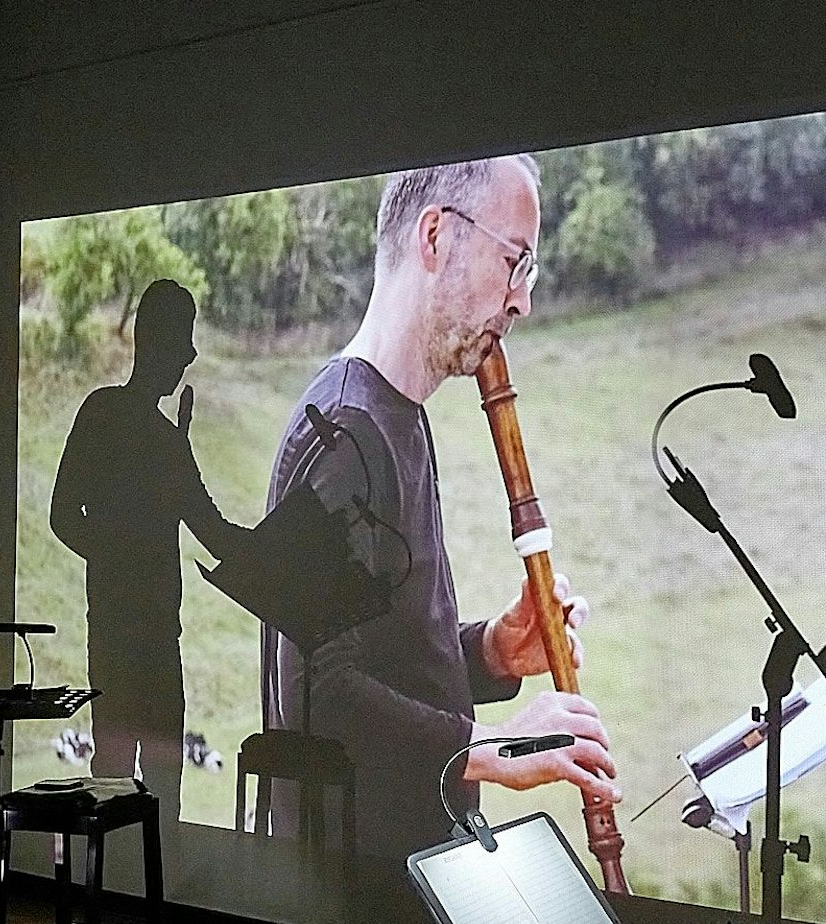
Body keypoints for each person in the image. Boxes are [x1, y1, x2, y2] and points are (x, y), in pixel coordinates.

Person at [260, 155, 620, 858]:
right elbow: (317, 698)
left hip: (414, 864)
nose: (521, 300)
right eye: (513, 261)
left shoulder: (397, 416)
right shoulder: (340, 432)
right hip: (354, 899)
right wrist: (493, 747)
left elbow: (381, 663)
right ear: (435, 237)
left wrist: (491, 651)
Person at [52, 279, 244, 822]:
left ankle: (118, 889)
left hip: (135, 634)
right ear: (155, 342)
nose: (190, 355)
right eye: (181, 340)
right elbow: (217, 533)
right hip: (141, 637)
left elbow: (65, 517)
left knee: (130, 777)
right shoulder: (147, 433)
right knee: (144, 783)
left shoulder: (117, 419)